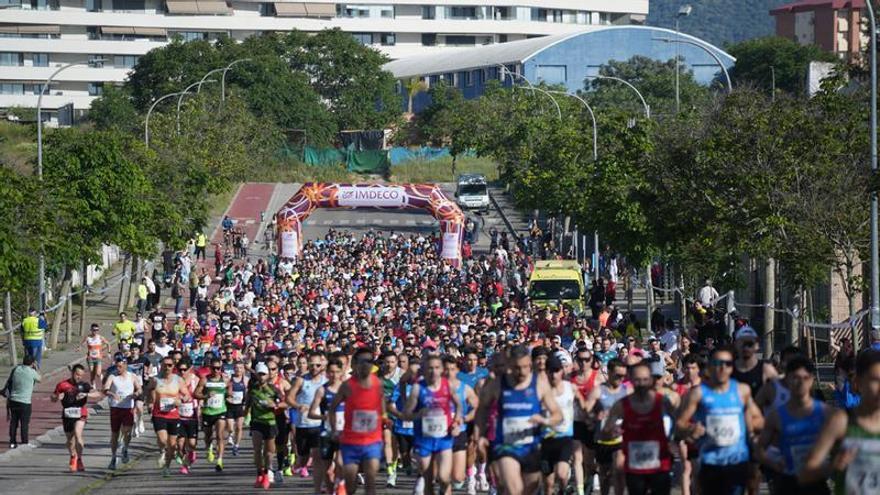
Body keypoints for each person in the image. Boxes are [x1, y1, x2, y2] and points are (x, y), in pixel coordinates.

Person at [475, 345, 562, 495]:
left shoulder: (539, 384)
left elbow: (557, 414)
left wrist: (544, 421)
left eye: (525, 367)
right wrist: (479, 436)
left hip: (531, 447)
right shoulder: (498, 384)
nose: (521, 371)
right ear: (509, 365)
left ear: (530, 364)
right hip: (505, 445)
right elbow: (482, 409)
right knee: (513, 490)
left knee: (530, 488)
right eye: (517, 367)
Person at [676, 345, 762, 495]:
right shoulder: (698, 393)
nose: (722, 368)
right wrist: (691, 429)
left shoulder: (742, 390)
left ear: (732, 367)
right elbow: (679, 425)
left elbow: (759, 420)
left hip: (737, 460)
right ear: (710, 366)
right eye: (717, 363)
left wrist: (747, 425)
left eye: (727, 364)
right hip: (711, 462)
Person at [800, 349, 880, 495]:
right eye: (875, 380)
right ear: (858, 382)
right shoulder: (840, 421)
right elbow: (806, 471)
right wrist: (833, 467)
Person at [756, 356, 830, 495]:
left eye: (805, 378)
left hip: (816, 482)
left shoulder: (826, 413)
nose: (800, 382)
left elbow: (844, 447)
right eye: (795, 378)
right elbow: (759, 450)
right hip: (788, 482)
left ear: (812, 380)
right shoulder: (776, 416)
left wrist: (829, 467)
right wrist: (775, 464)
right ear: (787, 380)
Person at [603, 361, 676, 495]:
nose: (641, 384)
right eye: (637, 380)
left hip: (660, 464)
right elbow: (606, 430)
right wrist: (613, 431)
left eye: (645, 380)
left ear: (651, 380)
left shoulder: (662, 402)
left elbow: (678, 423)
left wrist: (674, 440)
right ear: (630, 380)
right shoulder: (621, 405)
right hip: (635, 467)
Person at [402, 354, 464, 495]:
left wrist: (456, 422)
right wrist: (418, 414)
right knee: (428, 480)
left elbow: (459, 405)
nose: (433, 371)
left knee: (443, 478)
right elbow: (406, 414)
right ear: (424, 370)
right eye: (430, 368)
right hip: (424, 440)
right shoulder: (418, 388)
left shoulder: (447, 385)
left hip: (444, 439)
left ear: (441, 369)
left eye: (437, 368)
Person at [329, 347, 385, 495]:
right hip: (351, 442)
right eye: (362, 361)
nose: (366, 364)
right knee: (351, 486)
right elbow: (332, 408)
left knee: (370, 482)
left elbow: (382, 404)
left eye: (369, 361)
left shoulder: (378, 383)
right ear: (355, 363)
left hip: (372, 441)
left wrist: (385, 418)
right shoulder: (347, 385)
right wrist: (334, 430)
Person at [542, 355, 582, 495]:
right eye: (550, 371)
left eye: (556, 370)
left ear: (561, 371)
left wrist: (590, 415)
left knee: (561, 474)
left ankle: (564, 490)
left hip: (564, 437)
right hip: (545, 438)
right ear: (546, 372)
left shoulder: (571, 387)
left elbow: (583, 404)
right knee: (548, 485)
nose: (554, 375)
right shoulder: (540, 390)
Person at [308, 357, 347, 495]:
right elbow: (311, 413)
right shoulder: (322, 390)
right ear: (327, 373)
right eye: (331, 372)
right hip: (327, 432)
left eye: (337, 372)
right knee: (327, 469)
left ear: (341, 372)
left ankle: (341, 483)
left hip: (344, 432)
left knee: (341, 462)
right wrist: (324, 417)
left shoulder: (347, 389)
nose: (334, 375)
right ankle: (331, 490)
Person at [52, 364, 101, 472]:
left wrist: (86, 395)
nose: (79, 377)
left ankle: (79, 460)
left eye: (81, 375)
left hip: (80, 412)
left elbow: (98, 394)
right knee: (70, 440)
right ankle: (73, 456)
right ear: (72, 373)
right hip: (67, 413)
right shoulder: (62, 385)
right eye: (77, 374)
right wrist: (57, 397)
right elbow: (53, 398)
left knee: (78, 435)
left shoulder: (85, 385)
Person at [146, 355, 189, 477]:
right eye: (165, 365)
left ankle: (167, 467)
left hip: (173, 415)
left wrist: (181, 400)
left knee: (172, 445)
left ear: (173, 366)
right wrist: (150, 402)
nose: (167, 367)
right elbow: (148, 390)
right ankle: (162, 451)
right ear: (161, 366)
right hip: (159, 414)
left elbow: (186, 395)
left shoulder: (178, 380)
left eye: (170, 365)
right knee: (163, 440)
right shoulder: (155, 379)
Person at [287, 352, 327, 478]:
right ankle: (298, 465)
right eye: (312, 365)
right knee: (303, 457)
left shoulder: (326, 381)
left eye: (317, 365)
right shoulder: (301, 380)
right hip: (303, 424)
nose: (314, 368)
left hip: (319, 424)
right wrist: (298, 406)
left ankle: (319, 483)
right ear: (308, 365)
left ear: (322, 365)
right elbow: (289, 398)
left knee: (317, 455)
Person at [247, 361, 284, 490]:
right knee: (257, 449)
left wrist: (275, 405)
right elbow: (247, 404)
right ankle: (259, 474)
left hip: (270, 423)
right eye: (259, 374)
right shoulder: (253, 389)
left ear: (267, 375)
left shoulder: (274, 389)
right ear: (256, 375)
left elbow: (286, 403)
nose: (262, 376)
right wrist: (244, 417)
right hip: (256, 422)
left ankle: (267, 473)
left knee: (268, 453)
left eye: (264, 374)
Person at [103, 353, 142, 470]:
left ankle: (125, 448)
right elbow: (105, 389)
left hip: (127, 408)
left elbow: (139, 389)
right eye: (117, 366)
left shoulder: (132, 376)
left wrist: (135, 394)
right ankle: (114, 457)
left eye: (120, 366)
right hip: (115, 408)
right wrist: (112, 394)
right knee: (114, 434)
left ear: (125, 365)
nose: (118, 369)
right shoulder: (112, 376)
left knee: (127, 432)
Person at [194, 357, 229, 472]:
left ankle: (220, 460)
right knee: (208, 436)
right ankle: (209, 448)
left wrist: (229, 395)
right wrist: (206, 396)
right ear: (210, 368)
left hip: (220, 411)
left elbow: (230, 390)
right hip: (208, 412)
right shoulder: (204, 380)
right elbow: (195, 394)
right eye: (214, 368)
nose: (216, 370)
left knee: (220, 435)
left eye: (218, 368)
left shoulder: (225, 379)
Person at [6, 355, 40, 449]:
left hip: (13, 400)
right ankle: (24, 442)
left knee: (14, 422)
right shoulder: (32, 372)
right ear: (33, 363)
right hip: (25, 402)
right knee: (24, 423)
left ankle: (12, 442)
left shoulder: (16, 369)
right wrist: (37, 368)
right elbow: (40, 379)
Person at [225, 360, 249, 456]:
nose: (238, 370)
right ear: (233, 369)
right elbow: (224, 391)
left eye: (240, 368)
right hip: (230, 406)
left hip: (240, 406)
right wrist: (227, 396)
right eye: (236, 368)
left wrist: (246, 403)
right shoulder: (229, 379)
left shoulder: (246, 380)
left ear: (243, 369)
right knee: (230, 427)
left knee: (239, 427)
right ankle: (230, 434)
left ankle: (236, 446)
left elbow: (248, 393)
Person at [78, 323, 110, 389]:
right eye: (94, 330)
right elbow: (82, 344)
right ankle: (93, 387)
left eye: (97, 330)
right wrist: (79, 348)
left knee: (98, 373)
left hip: (98, 358)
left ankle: (104, 382)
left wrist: (109, 352)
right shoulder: (88, 337)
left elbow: (108, 344)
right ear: (91, 330)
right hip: (90, 358)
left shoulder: (100, 337)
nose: (95, 331)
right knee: (92, 373)